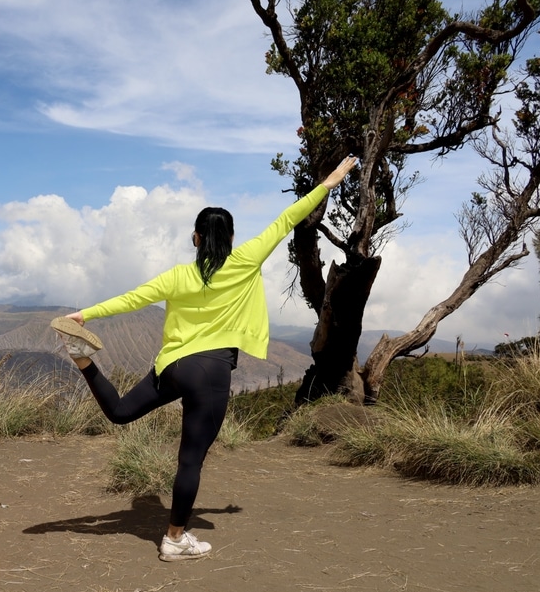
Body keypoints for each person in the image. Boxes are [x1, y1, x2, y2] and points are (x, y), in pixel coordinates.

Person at [51, 155, 358, 562]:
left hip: (174, 366)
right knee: (190, 460)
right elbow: (288, 218)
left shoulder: (178, 276)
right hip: (211, 372)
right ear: (230, 238)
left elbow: (132, 298)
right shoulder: (245, 260)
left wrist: (86, 314)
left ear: (196, 238)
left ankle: (83, 359)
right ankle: (175, 539)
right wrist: (332, 179)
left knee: (122, 412)